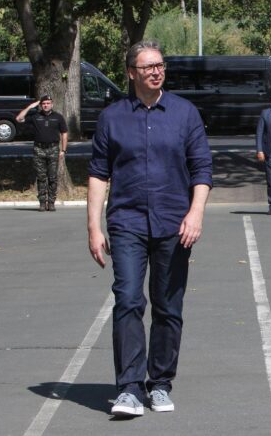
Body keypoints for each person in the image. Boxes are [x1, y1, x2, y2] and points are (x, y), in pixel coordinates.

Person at [87, 40, 213, 416]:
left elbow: (202, 170)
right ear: (131, 74)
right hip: (126, 223)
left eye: (160, 65)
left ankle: (159, 383)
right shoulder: (112, 118)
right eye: (148, 67)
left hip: (174, 225)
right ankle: (128, 387)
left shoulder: (185, 114)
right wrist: (93, 227)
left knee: (167, 306)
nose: (156, 71)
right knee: (127, 299)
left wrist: (196, 214)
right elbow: (97, 175)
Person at [16, 95, 68, 211]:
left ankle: (51, 202)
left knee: (53, 177)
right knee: (41, 177)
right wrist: (30, 107)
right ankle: (42, 203)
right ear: (41, 105)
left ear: (52, 104)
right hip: (39, 149)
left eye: (48, 103)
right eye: (44, 103)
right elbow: (19, 119)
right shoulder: (35, 117)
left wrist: (63, 150)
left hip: (53, 149)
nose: (46, 105)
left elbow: (64, 133)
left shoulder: (58, 117)